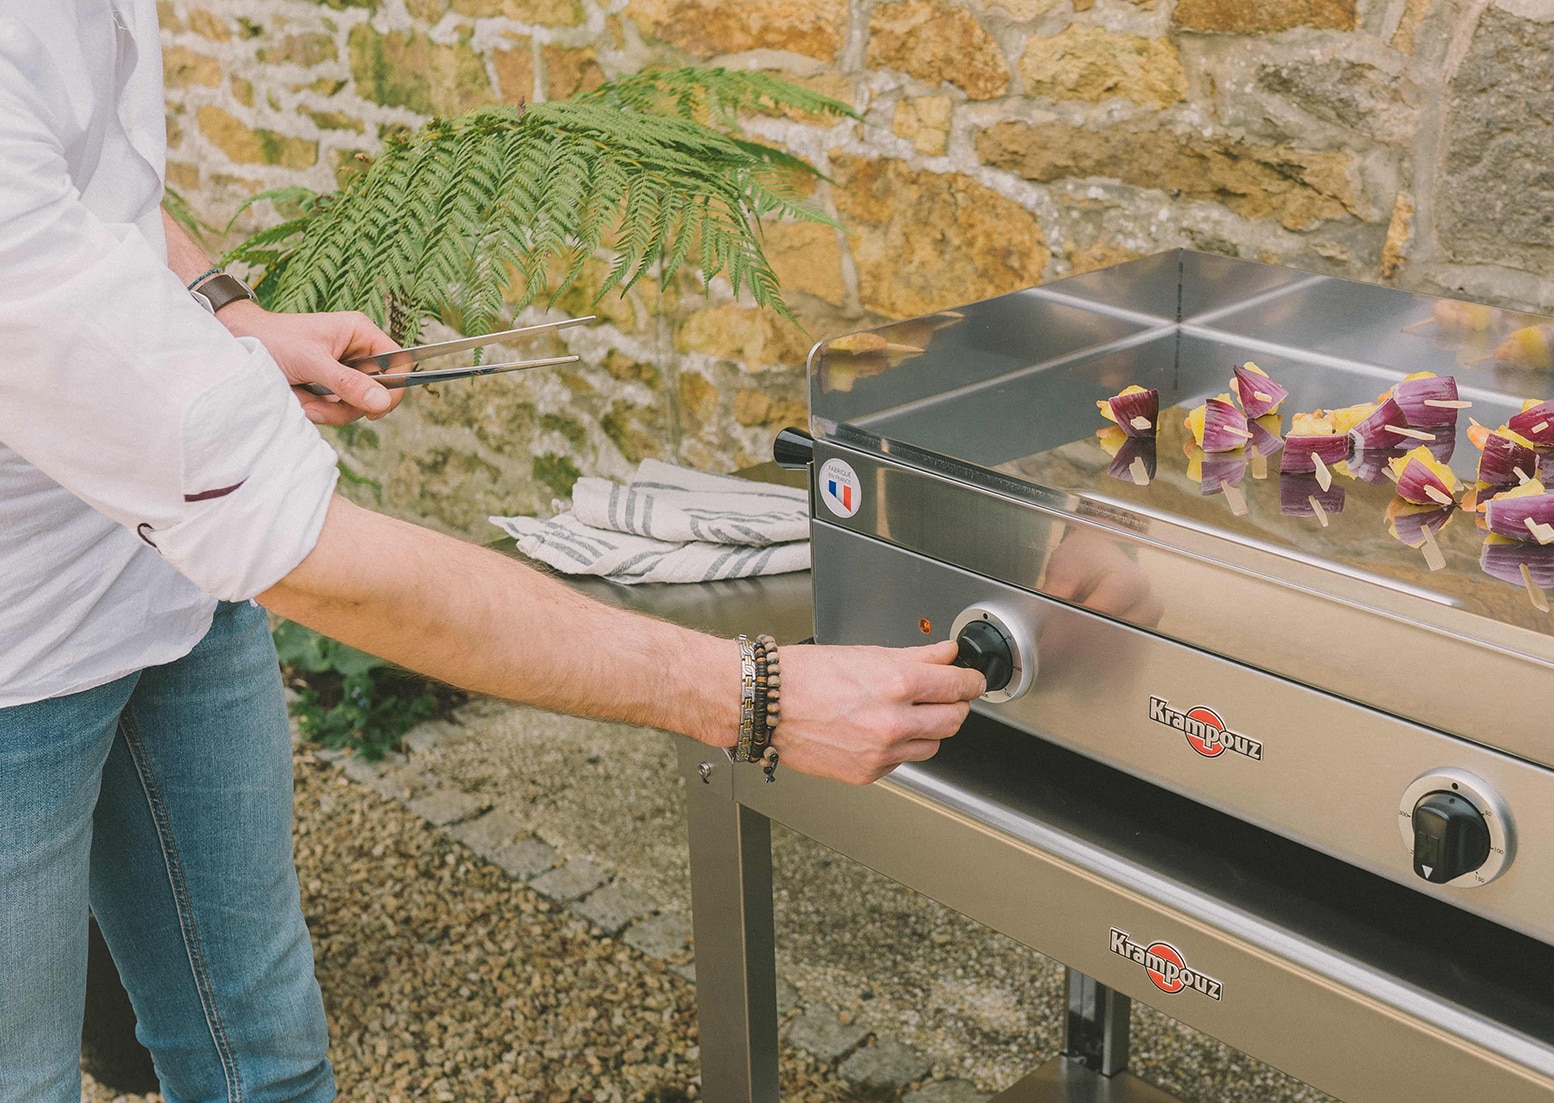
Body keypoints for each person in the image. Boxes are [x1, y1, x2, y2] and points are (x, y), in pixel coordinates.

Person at [0, 3, 985, 1100]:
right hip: (16, 655)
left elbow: (96, 186)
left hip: (169, 589)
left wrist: (228, 314)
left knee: (264, 1060)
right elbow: (301, 549)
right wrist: (752, 692)